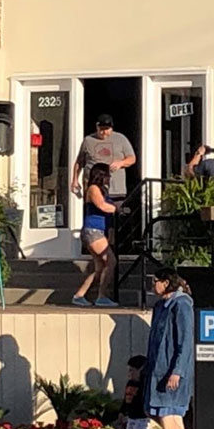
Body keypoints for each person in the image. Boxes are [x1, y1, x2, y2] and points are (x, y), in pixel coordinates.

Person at [144, 268, 194, 429]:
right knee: (169, 418)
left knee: (169, 415)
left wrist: (177, 371)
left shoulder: (182, 304)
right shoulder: (160, 306)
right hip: (158, 370)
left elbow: (185, 341)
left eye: (155, 281)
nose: (152, 285)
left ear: (166, 283)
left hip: (171, 373)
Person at [71, 163, 118, 307]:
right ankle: (102, 296)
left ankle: (79, 295)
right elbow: (102, 206)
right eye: (107, 175)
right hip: (93, 230)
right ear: (101, 175)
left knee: (99, 267)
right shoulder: (93, 189)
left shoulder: (103, 190)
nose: (109, 178)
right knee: (111, 261)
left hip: (99, 231)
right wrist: (117, 208)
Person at [71, 114, 136, 204]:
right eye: (101, 129)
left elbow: (132, 158)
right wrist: (75, 180)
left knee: (114, 213)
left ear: (111, 128)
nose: (104, 132)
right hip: (93, 188)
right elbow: (79, 162)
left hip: (115, 190)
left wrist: (121, 163)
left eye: (107, 129)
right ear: (97, 127)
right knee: (94, 214)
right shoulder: (88, 140)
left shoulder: (120, 139)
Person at [120, 355, 149, 429]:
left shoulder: (145, 385)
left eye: (131, 370)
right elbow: (126, 399)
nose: (129, 373)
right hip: (131, 418)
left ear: (140, 370)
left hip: (142, 420)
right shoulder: (130, 383)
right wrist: (122, 411)